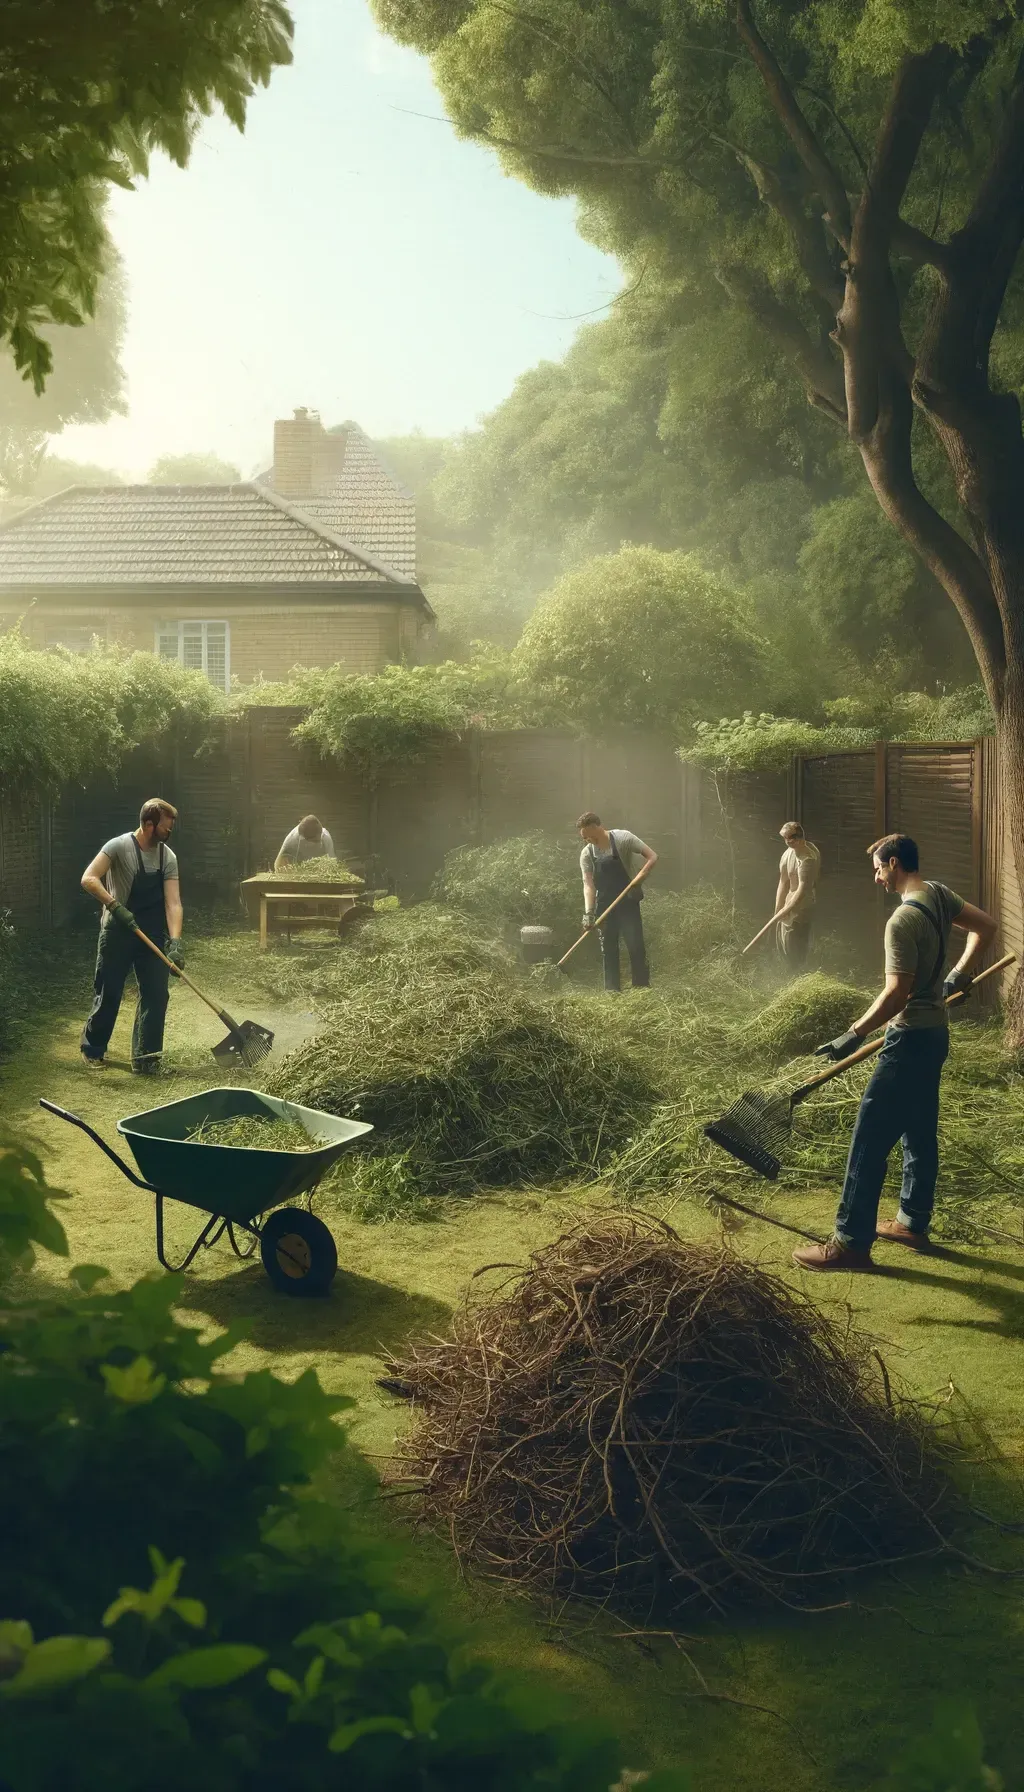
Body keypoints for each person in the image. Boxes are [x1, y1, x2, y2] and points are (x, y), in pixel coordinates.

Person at [793, 833, 997, 1272]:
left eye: (879, 869)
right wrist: (959, 973)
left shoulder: (901, 921)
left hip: (907, 1041)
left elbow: (896, 994)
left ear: (894, 863)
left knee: (868, 1139)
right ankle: (911, 1221)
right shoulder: (939, 894)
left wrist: (853, 1032)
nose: (877, 878)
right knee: (920, 1131)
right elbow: (988, 927)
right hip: (936, 1036)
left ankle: (849, 1243)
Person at [80, 798, 184, 1074]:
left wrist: (175, 941)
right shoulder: (118, 847)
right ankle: (93, 1049)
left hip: (150, 933)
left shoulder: (167, 856)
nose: (170, 832)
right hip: (117, 931)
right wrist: (114, 906)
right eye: (166, 827)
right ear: (149, 824)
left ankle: (146, 1058)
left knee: (156, 994)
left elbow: (173, 903)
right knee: (110, 992)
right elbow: (89, 878)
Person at [578, 812, 658, 992]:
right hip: (605, 904)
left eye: (588, 835)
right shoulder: (587, 853)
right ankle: (612, 992)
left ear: (597, 827)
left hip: (628, 900)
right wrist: (589, 913)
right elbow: (588, 884)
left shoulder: (623, 838)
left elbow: (652, 856)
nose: (587, 840)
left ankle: (641, 989)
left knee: (635, 945)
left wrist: (639, 879)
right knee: (608, 948)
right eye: (584, 838)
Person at [773, 820, 821, 969]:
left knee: (795, 947)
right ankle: (788, 972)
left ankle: (798, 974)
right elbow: (783, 880)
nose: (787, 842)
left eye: (790, 839)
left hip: (802, 908)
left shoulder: (808, 858)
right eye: (785, 839)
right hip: (788, 905)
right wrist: (778, 908)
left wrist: (786, 910)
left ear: (798, 839)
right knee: (783, 945)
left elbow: (802, 890)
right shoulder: (787, 854)